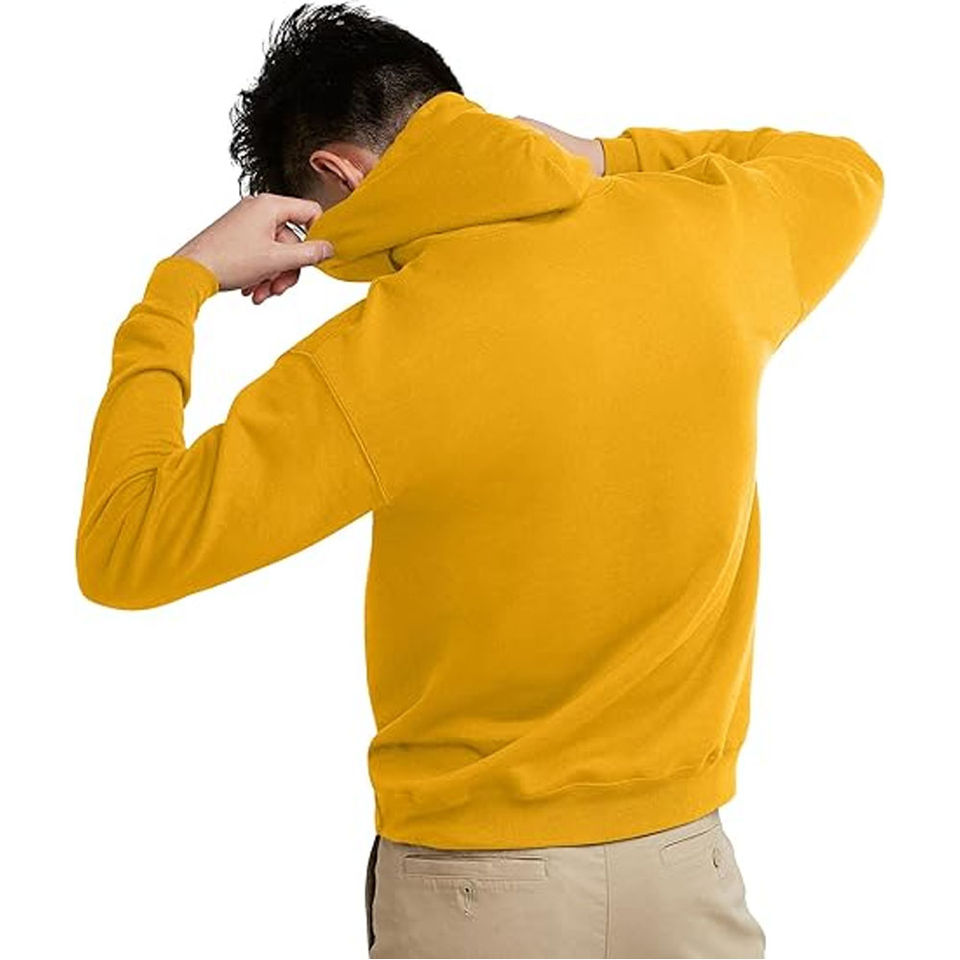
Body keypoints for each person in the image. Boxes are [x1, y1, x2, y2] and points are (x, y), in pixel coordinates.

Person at [75, 3, 884, 957]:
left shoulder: (377, 355)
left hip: (478, 892)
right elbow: (845, 170)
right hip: (687, 871)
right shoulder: (709, 232)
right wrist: (603, 156)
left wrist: (179, 286)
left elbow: (125, 547)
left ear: (341, 173)